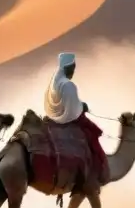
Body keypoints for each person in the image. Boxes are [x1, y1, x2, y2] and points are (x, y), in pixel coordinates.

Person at [44, 52, 108, 181]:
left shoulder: (55, 80)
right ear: (67, 67)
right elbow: (72, 111)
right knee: (93, 133)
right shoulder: (68, 85)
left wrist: (78, 105)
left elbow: (64, 103)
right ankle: (95, 172)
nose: (74, 70)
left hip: (54, 117)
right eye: (73, 67)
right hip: (67, 119)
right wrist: (82, 107)